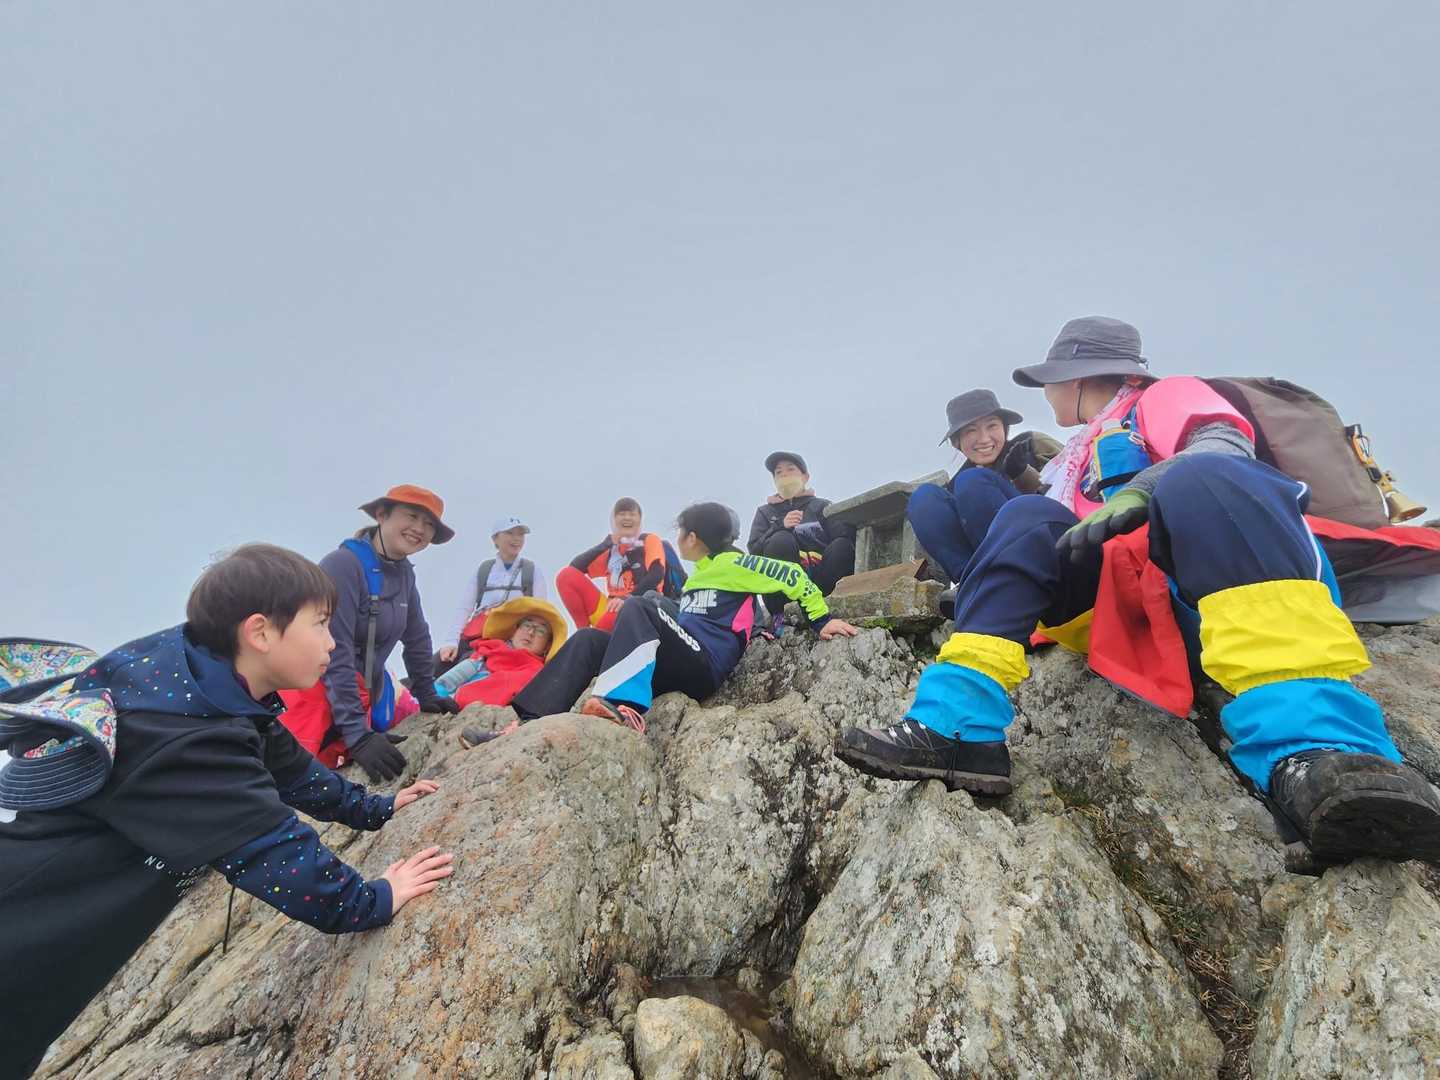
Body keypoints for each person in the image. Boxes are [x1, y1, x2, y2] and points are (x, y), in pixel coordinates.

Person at [837, 316, 1440, 870]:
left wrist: (1142, 490)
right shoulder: (1078, 450)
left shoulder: (1164, 395)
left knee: (1207, 476)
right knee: (1025, 515)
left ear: (1075, 378)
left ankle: (1315, 753)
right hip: (1118, 608)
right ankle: (957, 728)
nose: (1046, 395)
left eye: (1049, 381)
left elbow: (1223, 448)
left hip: (1209, 593)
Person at [0, 544, 454, 1077]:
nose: (334, 642)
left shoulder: (211, 692)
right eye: (321, 624)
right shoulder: (187, 741)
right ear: (260, 632)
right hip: (27, 929)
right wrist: (375, 898)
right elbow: (278, 856)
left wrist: (376, 808)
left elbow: (294, 773)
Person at [499, 502, 861, 733]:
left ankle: (624, 707)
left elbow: (792, 575)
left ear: (694, 537)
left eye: (682, 531)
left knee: (641, 605)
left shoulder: (734, 563)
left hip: (705, 664)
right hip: (677, 661)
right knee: (589, 639)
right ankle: (530, 719)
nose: (679, 538)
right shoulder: (699, 573)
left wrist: (821, 620)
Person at [279, 484, 461, 784]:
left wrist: (427, 693)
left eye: (429, 524)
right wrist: (357, 735)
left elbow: (417, 636)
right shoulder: (343, 565)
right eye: (412, 516)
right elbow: (334, 650)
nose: (420, 529)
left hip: (355, 697)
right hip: (310, 695)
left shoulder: (404, 573)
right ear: (381, 514)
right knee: (289, 783)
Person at [907, 389, 1063, 584]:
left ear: (1005, 428)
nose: (984, 438)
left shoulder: (1031, 444)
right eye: (971, 430)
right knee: (924, 498)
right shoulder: (957, 485)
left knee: (972, 481)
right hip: (990, 572)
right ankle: (974, 584)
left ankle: (1020, 572)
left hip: (1048, 545)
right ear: (956, 442)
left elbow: (1075, 487)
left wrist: (1023, 473)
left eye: (992, 425)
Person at [747, 451, 857, 626]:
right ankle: (782, 615)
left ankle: (830, 604)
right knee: (780, 540)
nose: (784, 475)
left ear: (805, 477)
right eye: (779, 472)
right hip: (784, 592)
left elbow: (845, 538)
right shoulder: (765, 512)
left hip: (821, 583)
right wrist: (780, 526)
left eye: (790, 469)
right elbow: (754, 551)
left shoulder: (822, 506)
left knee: (842, 545)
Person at [438, 516, 548, 672]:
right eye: (510, 533)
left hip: (507, 639)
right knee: (434, 665)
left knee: (469, 666)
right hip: (476, 634)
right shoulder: (484, 569)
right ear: (495, 538)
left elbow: (541, 612)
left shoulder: (532, 570)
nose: (516, 539)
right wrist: (451, 641)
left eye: (520, 534)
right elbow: (465, 608)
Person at [556, 498, 670, 633]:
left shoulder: (649, 540)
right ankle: (582, 631)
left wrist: (627, 598)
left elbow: (656, 574)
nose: (627, 518)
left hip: (638, 606)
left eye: (632, 514)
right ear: (614, 520)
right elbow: (575, 568)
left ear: (639, 520)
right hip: (610, 608)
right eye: (622, 514)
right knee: (565, 575)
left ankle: (591, 638)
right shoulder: (612, 550)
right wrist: (605, 544)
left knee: (612, 616)